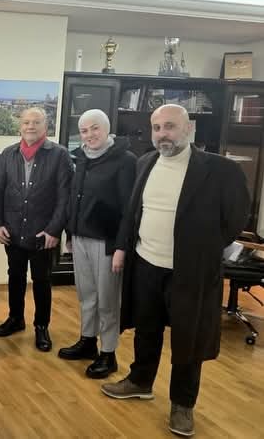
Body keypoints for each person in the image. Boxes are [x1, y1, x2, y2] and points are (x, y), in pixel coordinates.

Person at [101, 104, 250, 437]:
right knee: (146, 328)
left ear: (188, 129)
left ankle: (183, 404)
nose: (162, 134)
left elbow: (235, 219)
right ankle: (140, 381)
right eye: (156, 128)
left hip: (190, 272)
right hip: (146, 263)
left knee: (188, 338)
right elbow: (134, 211)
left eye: (169, 126)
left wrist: (203, 249)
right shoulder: (145, 162)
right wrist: (124, 247)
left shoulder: (220, 170)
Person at [58, 109, 136, 378]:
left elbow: (129, 209)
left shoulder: (125, 160)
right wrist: (70, 235)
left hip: (107, 242)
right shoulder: (80, 158)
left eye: (95, 129)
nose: (89, 135)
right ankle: (88, 340)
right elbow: (75, 198)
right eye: (84, 130)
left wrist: (121, 247)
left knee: (107, 300)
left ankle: (108, 353)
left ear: (107, 129)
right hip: (80, 237)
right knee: (86, 295)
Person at [0, 107, 72, 352]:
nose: (30, 126)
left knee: (42, 280)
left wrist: (54, 230)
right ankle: (15, 319)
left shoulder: (59, 155)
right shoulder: (8, 154)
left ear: (46, 126)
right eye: (26, 122)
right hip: (12, 231)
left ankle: (41, 326)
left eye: (36, 122)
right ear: (20, 126)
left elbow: (64, 197)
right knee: (15, 277)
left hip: (43, 234)